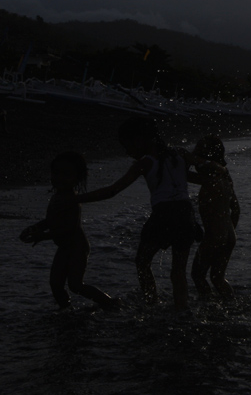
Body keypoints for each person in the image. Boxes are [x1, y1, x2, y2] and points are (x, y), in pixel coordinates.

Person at [76, 117, 216, 311]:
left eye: (127, 146)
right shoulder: (179, 155)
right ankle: (182, 311)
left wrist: (76, 199)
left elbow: (112, 191)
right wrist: (218, 173)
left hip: (163, 215)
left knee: (142, 262)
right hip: (186, 215)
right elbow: (205, 177)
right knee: (178, 272)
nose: (127, 152)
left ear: (141, 140)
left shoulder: (145, 163)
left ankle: (151, 304)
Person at [19, 151, 120, 310]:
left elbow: (68, 229)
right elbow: (50, 221)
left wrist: (42, 236)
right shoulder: (57, 197)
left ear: (77, 178)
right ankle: (66, 311)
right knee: (55, 284)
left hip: (77, 248)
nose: (59, 177)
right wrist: (35, 228)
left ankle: (110, 303)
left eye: (66, 174)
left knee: (76, 285)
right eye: (56, 173)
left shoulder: (72, 200)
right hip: (64, 248)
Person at [188, 135, 239, 299]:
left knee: (197, 275)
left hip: (214, 237)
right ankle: (231, 305)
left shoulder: (208, 178)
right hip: (230, 236)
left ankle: (209, 309)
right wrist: (226, 232)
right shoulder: (225, 176)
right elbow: (236, 209)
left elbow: (182, 174)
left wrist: (189, 158)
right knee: (218, 278)